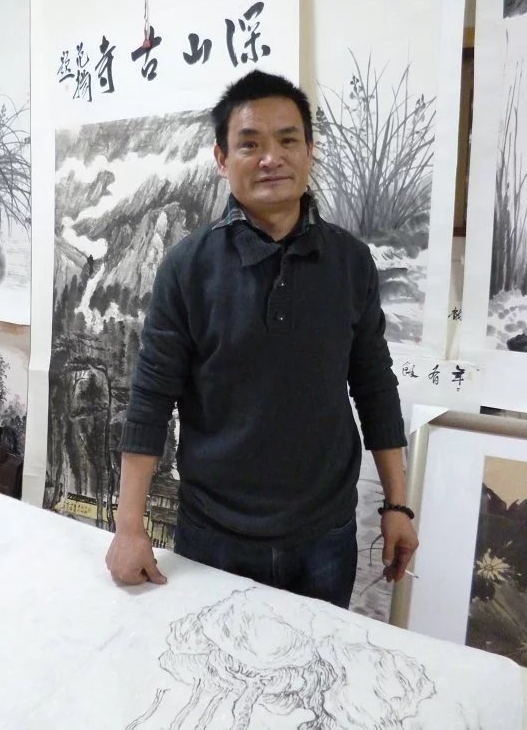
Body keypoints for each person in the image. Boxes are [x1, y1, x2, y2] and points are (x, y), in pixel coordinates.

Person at [105, 70, 418, 608]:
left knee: (315, 660)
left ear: (310, 151)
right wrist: (129, 527)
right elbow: (151, 398)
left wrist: (398, 505)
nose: (271, 158)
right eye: (249, 144)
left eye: (287, 140)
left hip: (326, 534)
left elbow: (374, 385)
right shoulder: (187, 268)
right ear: (222, 159)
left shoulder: (350, 261)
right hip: (213, 533)